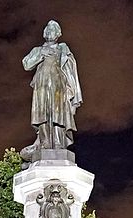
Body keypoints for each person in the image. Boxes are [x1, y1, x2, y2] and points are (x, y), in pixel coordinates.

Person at [22, 20, 82, 154]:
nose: (50, 31)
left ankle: (59, 142)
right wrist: (41, 54)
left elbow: (71, 70)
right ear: (44, 33)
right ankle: (45, 142)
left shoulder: (63, 48)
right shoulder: (37, 50)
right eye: (48, 29)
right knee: (42, 112)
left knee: (58, 112)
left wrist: (72, 95)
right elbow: (26, 64)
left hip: (58, 84)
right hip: (41, 85)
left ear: (59, 33)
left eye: (54, 29)